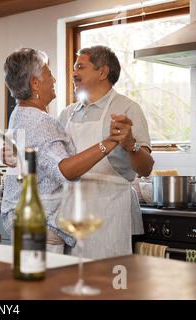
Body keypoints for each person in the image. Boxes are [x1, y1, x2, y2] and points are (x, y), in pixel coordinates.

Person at [1, 48, 121, 254]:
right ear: (35, 83)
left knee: (30, 282)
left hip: (23, 218)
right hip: (42, 224)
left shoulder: (19, 113)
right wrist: (108, 143)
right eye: (48, 73)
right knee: (44, 284)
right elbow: (64, 171)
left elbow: (32, 160)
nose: (54, 78)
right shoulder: (41, 121)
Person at [57, 45, 154, 259]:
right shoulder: (67, 114)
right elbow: (54, 161)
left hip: (111, 212)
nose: (73, 73)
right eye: (74, 68)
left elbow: (146, 168)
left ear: (102, 72)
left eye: (80, 67)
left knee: (109, 283)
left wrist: (131, 145)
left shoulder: (128, 109)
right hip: (71, 213)